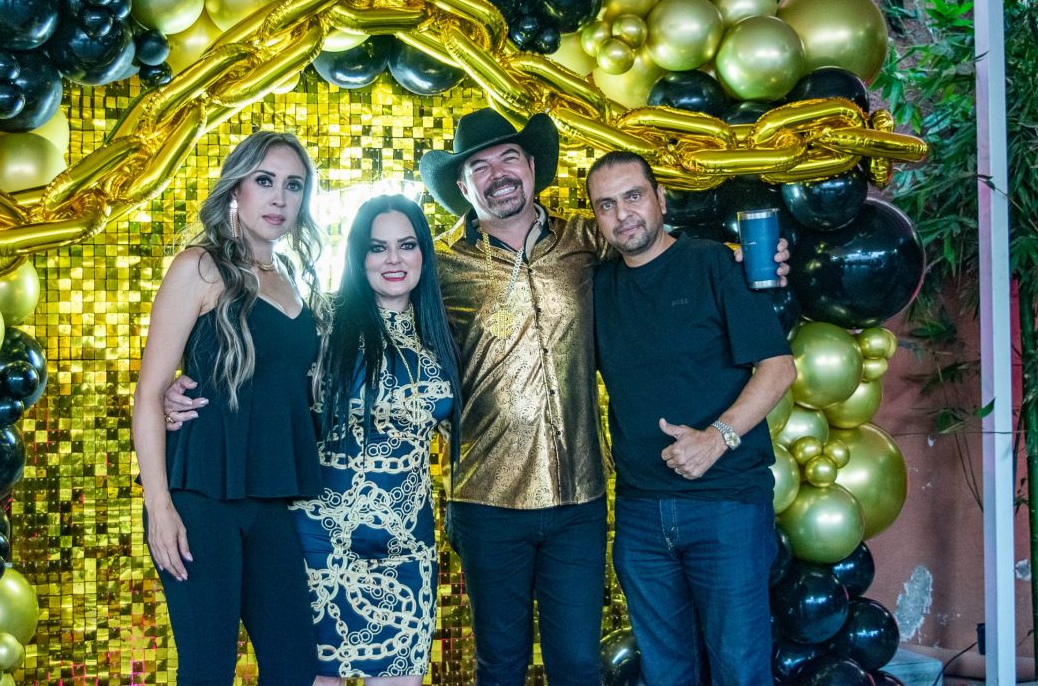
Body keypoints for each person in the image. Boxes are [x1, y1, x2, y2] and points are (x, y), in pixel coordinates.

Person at [416, 107, 788, 685]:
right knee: (503, 664)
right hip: (489, 496)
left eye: (509, 157)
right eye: (479, 167)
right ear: (463, 188)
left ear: (532, 167)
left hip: (584, 500)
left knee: (583, 665)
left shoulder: (587, 241)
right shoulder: (438, 266)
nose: (498, 174)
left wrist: (751, 258)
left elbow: (658, 250)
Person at [587, 149, 797, 686]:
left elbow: (778, 369)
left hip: (726, 506)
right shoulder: (598, 288)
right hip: (639, 513)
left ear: (661, 199)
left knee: (740, 671)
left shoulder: (713, 264)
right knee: (665, 673)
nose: (622, 214)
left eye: (633, 196)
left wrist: (717, 438)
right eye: (606, 205)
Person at [131, 130, 328, 686]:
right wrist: (159, 507)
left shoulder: (292, 280)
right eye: (264, 181)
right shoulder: (199, 267)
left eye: (293, 185)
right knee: (207, 670)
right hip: (200, 497)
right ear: (236, 189)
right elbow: (149, 395)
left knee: (295, 669)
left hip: (269, 499)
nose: (279, 198)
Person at [292, 194, 461, 684]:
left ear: (423, 253)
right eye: (377, 247)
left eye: (406, 245)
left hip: (408, 545)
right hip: (319, 541)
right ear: (357, 255)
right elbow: (259, 387)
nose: (393, 259)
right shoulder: (320, 319)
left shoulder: (442, 331)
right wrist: (178, 393)